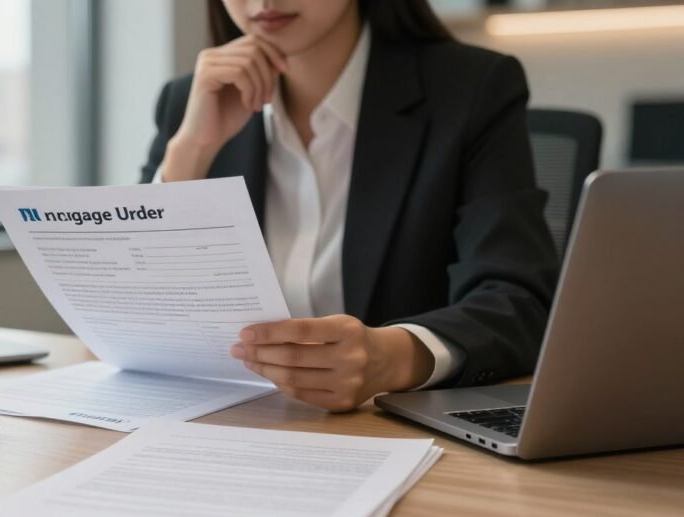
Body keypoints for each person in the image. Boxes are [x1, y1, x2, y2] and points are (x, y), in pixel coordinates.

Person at [141, 0, 559, 412]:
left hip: (395, 435)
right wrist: (190, 152)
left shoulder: (474, 87)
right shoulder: (192, 100)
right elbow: (137, 311)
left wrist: (391, 357)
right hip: (232, 424)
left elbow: (517, 301)